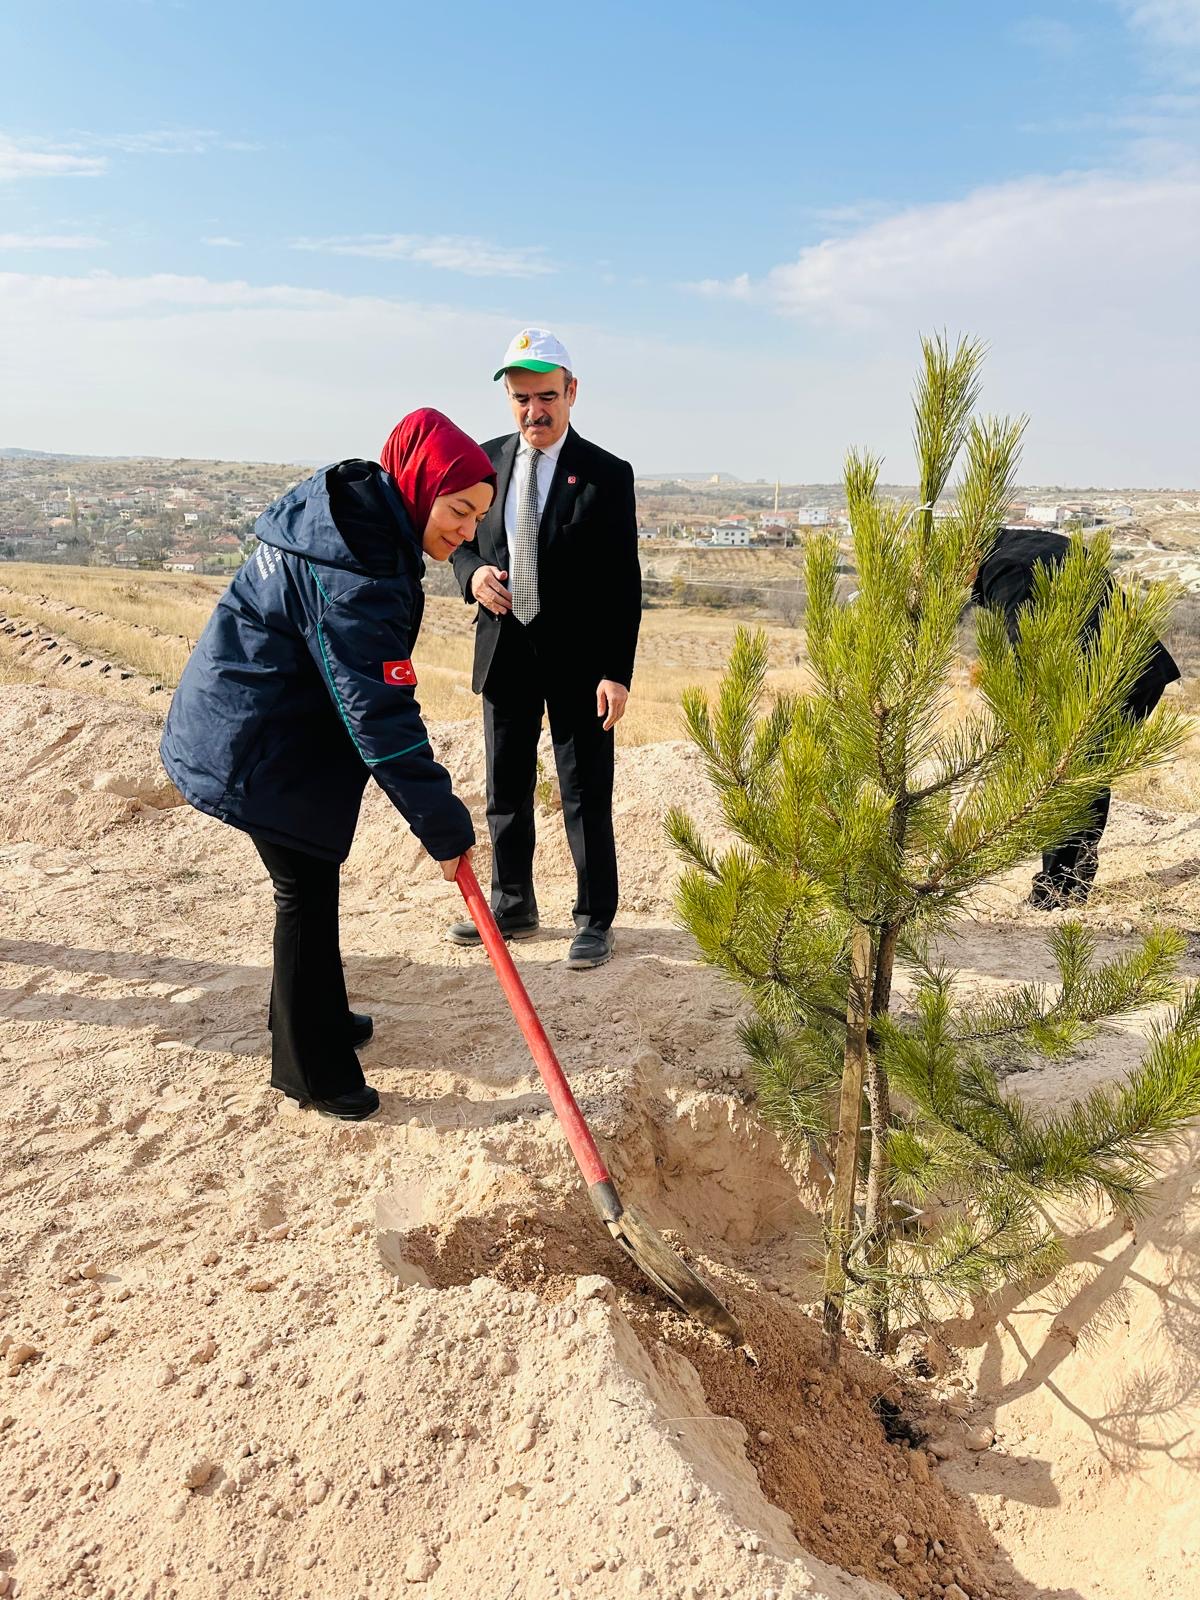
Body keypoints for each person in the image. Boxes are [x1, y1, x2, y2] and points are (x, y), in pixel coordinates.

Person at [161, 410, 494, 1119]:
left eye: (476, 519)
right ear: (418, 483)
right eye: (459, 510)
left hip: (275, 717)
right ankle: (312, 1072)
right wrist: (443, 826)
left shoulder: (361, 519)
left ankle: (318, 1018)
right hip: (254, 737)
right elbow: (380, 713)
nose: (467, 532)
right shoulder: (358, 567)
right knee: (304, 886)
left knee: (309, 879)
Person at [447, 328, 642, 969]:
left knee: (585, 792)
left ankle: (593, 918)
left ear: (572, 393)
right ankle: (512, 904)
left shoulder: (608, 476)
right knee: (505, 785)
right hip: (505, 654)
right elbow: (458, 540)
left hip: (580, 665)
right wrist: (472, 574)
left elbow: (623, 582)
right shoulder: (482, 461)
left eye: (546, 397)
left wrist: (617, 671)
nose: (534, 411)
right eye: (521, 397)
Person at [972, 524, 1180, 910]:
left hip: (1098, 683)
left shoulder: (1005, 566)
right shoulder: (1040, 543)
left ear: (964, 555)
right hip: (1135, 671)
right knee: (1086, 777)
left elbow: (1027, 649)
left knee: (1066, 779)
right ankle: (1069, 883)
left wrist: (1021, 710)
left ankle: (1057, 892)